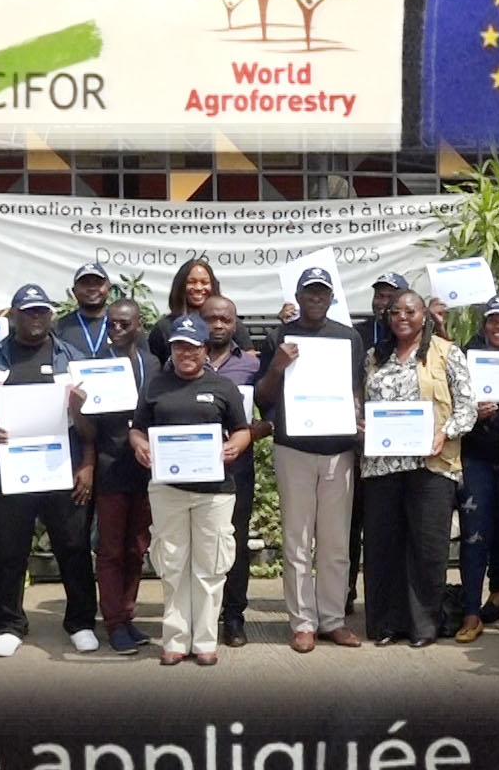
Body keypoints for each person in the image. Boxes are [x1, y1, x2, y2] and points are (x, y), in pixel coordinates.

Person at [254, 266, 367, 652]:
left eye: (322, 292)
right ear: (298, 297)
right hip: (294, 450)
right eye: (309, 292)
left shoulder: (349, 337)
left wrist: (357, 413)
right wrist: (277, 366)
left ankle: (332, 620)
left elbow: (356, 389)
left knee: (336, 543)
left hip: (338, 450)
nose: (316, 298)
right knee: (297, 541)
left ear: (331, 298)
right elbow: (262, 397)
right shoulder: (279, 337)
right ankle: (303, 622)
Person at [0, 283, 99, 655]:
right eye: (28, 311)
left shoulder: (73, 358)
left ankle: (80, 622)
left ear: (50, 316)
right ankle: (10, 624)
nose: (35, 317)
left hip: (61, 469)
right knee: (8, 550)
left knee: (73, 547)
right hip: (9, 471)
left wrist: (87, 464)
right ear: (14, 315)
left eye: (41, 311)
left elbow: (90, 424)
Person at [130, 315, 253, 665]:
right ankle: (175, 639)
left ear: (204, 350)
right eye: (179, 347)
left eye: (193, 348)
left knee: (210, 567)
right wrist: (140, 445)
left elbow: (242, 429)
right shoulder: (155, 385)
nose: (186, 354)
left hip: (214, 492)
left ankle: (205, 641)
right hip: (168, 488)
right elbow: (138, 428)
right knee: (172, 564)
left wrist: (237, 445)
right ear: (171, 350)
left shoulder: (223, 387)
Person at [361, 289, 477, 646]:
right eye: (395, 311)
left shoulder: (447, 353)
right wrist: (361, 423)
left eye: (410, 311)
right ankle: (386, 624)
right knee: (384, 546)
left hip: (432, 465)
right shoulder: (374, 356)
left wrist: (445, 433)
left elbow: (467, 408)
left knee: (427, 549)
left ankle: (423, 626)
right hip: (381, 467)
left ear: (424, 315)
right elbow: (362, 403)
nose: (402, 317)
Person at [457, 295, 499, 640]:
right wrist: (474, 413)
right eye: (493, 320)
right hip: (477, 457)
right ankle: (471, 611)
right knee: (474, 535)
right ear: (484, 325)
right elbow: (452, 404)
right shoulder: (467, 361)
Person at [92, 298, 159, 655]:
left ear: (138, 325)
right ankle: (114, 623)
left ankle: (128, 615)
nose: (116, 330)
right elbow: (87, 425)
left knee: (137, 548)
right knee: (111, 549)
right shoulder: (94, 365)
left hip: (145, 468)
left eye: (124, 324)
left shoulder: (152, 363)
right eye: (111, 324)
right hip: (110, 465)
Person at [201, 295, 268, 647]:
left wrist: (252, 433)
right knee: (198, 543)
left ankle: (234, 615)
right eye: (210, 318)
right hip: (193, 469)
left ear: (235, 323)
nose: (217, 325)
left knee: (235, 542)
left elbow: (272, 412)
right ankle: (201, 615)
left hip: (236, 468)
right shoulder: (181, 361)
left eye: (225, 319)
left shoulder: (252, 366)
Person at [346, 271, 413, 614]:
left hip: (402, 451)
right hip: (358, 445)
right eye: (379, 295)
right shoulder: (356, 333)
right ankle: (345, 592)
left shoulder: (416, 338)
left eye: (390, 296)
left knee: (387, 528)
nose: (382, 302)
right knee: (351, 523)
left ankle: (394, 599)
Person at [149, 258, 224, 361]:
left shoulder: (226, 324)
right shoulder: (163, 328)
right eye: (191, 282)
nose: (198, 287)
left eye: (204, 282)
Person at [57, 262, 115, 361]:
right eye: (84, 283)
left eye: (98, 283)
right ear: (74, 291)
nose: (92, 288)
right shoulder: (59, 327)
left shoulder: (123, 326)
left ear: (109, 289)